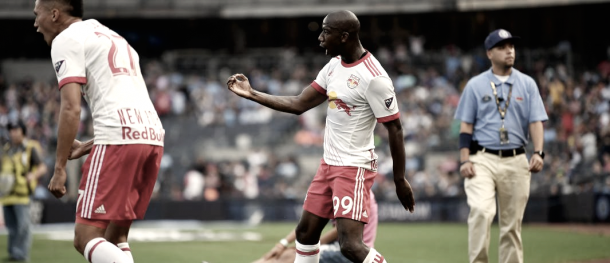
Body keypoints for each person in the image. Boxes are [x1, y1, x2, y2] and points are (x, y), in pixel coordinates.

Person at [227, 10, 414, 263]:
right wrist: (252, 94)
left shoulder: (374, 78)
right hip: (328, 166)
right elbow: (298, 103)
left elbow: (395, 128)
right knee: (305, 234)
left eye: (326, 32)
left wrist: (400, 179)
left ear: (345, 36)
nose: (320, 38)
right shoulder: (334, 65)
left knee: (350, 245)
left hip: (353, 167)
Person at [34, 0, 165, 262]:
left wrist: (59, 168)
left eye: (37, 15)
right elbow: (129, 109)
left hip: (119, 143)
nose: (36, 24)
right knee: (115, 239)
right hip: (152, 138)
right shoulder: (113, 36)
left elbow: (71, 108)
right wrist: (88, 144)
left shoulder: (66, 39)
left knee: (84, 238)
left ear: (55, 14)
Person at [454, 29, 547, 263]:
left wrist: (538, 152)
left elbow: (536, 121)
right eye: (502, 47)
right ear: (489, 53)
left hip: (517, 159)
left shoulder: (527, 84)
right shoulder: (475, 85)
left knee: (512, 225)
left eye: (512, 46)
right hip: (482, 158)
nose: (509, 51)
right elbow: (465, 127)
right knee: (481, 212)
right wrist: (465, 159)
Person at [252, 190, 378, 263]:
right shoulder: (344, 189)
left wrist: (307, 246)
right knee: (286, 254)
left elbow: (339, 230)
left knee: (290, 256)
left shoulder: (356, 192)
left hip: (351, 252)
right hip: (340, 247)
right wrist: (283, 243)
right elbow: (307, 223)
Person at [0, 121, 48, 262]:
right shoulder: (6, 149)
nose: (13, 133)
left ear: (23, 131)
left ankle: (22, 255)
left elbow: (42, 167)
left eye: (16, 129)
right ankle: (14, 253)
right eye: (11, 130)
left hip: (22, 195)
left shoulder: (30, 148)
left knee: (23, 227)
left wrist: (33, 175)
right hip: (7, 195)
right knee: (12, 227)